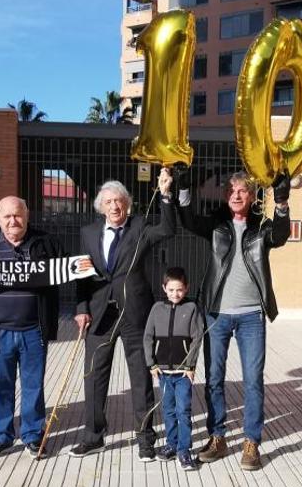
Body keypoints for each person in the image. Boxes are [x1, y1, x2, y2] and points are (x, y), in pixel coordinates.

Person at [175, 170, 290, 471]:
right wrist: (184, 187)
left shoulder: (261, 227)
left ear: (251, 196)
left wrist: (281, 202)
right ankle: (218, 437)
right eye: (231, 191)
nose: (236, 195)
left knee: (253, 381)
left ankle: (251, 441)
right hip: (217, 313)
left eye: (242, 191)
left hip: (252, 315)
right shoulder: (216, 224)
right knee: (214, 379)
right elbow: (187, 220)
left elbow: (280, 236)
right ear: (225, 196)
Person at [70, 169, 175, 462]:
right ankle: (93, 437)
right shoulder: (88, 233)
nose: (115, 206)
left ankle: (145, 440)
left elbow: (168, 230)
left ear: (127, 204)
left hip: (135, 315)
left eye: (120, 201)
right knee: (93, 376)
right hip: (99, 315)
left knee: (141, 378)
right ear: (100, 206)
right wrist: (81, 310)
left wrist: (165, 195)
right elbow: (83, 276)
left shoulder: (140, 227)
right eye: (109, 202)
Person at [0, 196, 65, 459]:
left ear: (27, 215)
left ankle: (33, 436)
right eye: (7, 216)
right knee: (0, 385)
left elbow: (67, 270)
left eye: (17, 215)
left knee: (34, 385)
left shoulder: (46, 243)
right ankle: (1, 438)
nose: (13, 221)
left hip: (34, 329)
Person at [143, 267, 204, 471]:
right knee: (168, 411)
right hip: (163, 374)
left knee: (183, 411)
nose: (175, 294)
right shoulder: (156, 309)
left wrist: (191, 365)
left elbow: (197, 337)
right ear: (164, 288)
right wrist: (151, 363)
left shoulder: (192, 308)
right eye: (170, 290)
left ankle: (184, 450)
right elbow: (148, 337)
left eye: (179, 290)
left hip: (183, 373)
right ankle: (171, 444)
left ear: (186, 289)